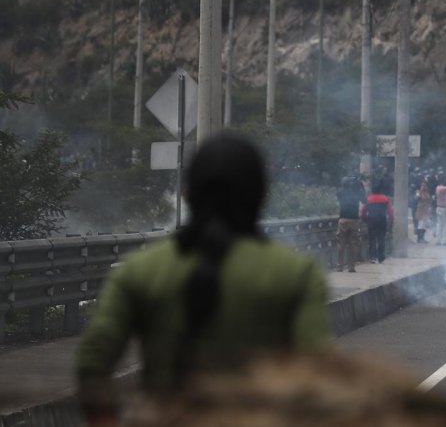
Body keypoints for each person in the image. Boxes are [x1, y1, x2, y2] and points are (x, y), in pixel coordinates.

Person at [75, 133, 330, 424]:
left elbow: (92, 362)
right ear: (260, 194)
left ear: (188, 194)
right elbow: (316, 370)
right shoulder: (297, 272)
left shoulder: (138, 269)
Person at [335, 175, 365, 272]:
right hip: (354, 220)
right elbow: (365, 200)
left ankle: (339, 266)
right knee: (353, 243)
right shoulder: (356, 192)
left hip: (343, 219)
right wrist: (360, 186)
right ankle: (351, 267)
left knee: (341, 243)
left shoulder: (340, 192)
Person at [361, 180, 394, 263]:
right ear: (380, 190)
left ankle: (372, 257)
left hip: (371, 221)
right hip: (382, 221)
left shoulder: (368, 199)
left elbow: (363, 211)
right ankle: (381, 257)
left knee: (372, 239)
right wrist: (390, 223)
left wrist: (365, 219)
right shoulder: (385, 199)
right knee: (381, 239)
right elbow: (390, 212)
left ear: (372, 191)